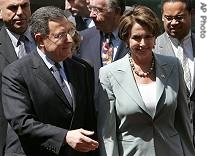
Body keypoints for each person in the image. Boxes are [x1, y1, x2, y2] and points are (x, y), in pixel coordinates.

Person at [97, 5, 194, 156]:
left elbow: (183, 121)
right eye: (136, 37)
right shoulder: (109, 74)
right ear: (126, 39)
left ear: (155, 38)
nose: (143, 43)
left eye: (148, 36)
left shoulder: (173, 65)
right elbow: (107, 134)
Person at [2, 6, 99, 156]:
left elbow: (88, 119)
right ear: (40, 40)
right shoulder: (16, 73)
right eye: (60, 35)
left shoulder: (82, 69)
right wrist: (65, 137)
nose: (69, 39)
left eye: (69, 32)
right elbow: (21, 122)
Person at [153, 0, 195, 143]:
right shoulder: (152, 48)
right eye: (168, 18)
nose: (173, 23)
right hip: (169, 135)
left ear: (192, 14)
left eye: (179, 17)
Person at [0, 0, 36, 155]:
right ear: (0, 12)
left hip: (53, 137)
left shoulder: (49, 38)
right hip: (10, 141)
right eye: (13, 8)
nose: (20, 12)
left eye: (24, 6)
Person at [77, 0, 128, 107]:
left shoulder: (134, 38)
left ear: (117, 12)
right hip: (95, 114)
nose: (92, 15)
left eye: (98, 10)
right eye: (91, 9)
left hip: (128, 112)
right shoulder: (83, 38)